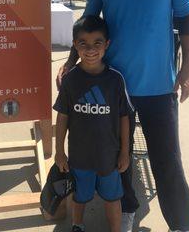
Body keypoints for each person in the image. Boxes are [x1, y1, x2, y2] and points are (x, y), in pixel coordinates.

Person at [57, 0, 189, 232]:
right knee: (121, 158)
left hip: (159, 85)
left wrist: (187, 70)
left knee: (167, 160)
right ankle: (128, 208)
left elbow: (187, 19)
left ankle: (181, 223)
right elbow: (89, 20)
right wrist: (70, 62)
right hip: (114, 86)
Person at [54, 15, 133, 232]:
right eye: (83, 44)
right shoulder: (70, 80)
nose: (90, 50)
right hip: (79, 157)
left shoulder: (116, 80)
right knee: (80, 197)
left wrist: (125, 152)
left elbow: (124, 117)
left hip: (109, 157)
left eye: (97, 43)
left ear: (106, 44)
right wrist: (59, 151)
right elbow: (62, 117)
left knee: (112, 198)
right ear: (75, 46)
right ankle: (77, 225)